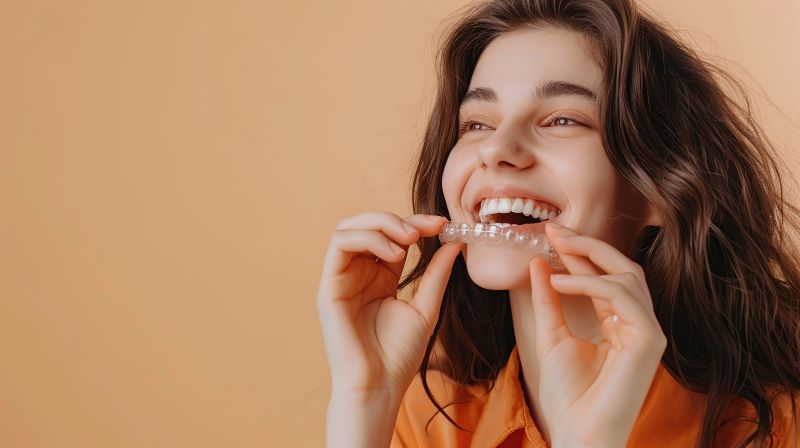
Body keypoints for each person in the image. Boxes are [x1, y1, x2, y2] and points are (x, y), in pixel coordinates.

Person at [315, 0, 800, 446]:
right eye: (477, 123)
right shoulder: (424, 418)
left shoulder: (780, 423)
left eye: (563, 119)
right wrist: (366, 400)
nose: (497, 151)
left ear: (661, 187)